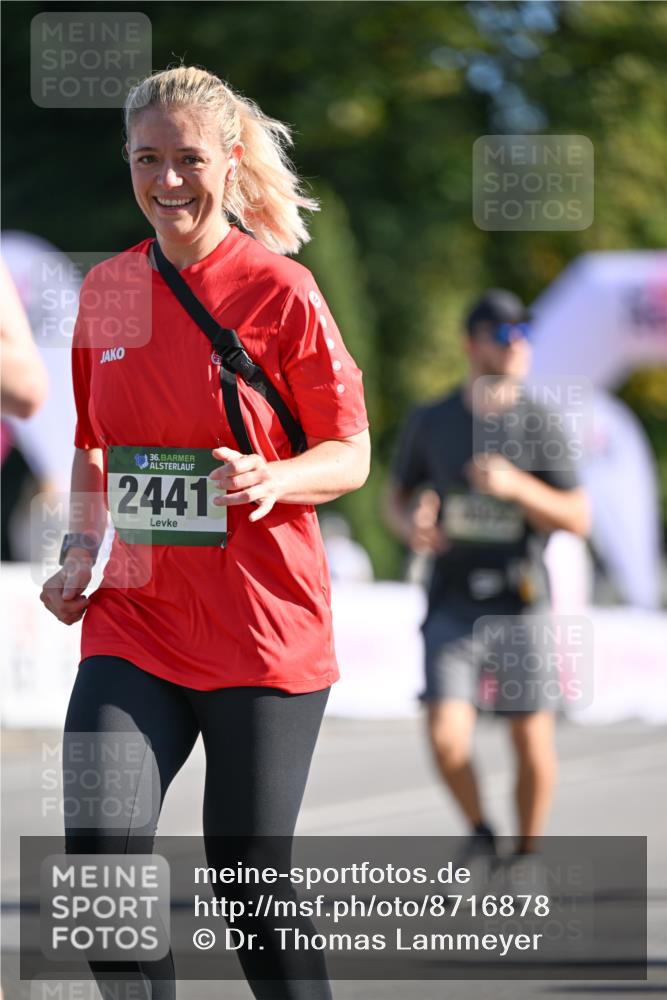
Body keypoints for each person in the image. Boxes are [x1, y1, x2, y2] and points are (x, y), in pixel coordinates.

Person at [40, 65, 370, 1000]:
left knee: (249, 883)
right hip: (136, 618)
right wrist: (77, 552)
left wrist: (275, 475)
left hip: (262, 628)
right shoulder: (107, 288)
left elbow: (349, 453)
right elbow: (93, 448)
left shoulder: (281, 291)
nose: (168, 181)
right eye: (149, 159)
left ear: (229, 159)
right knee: (101, 876)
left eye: (188, 158)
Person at [384, 289, 589, 866]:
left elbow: (578, 517)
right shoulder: (432, 420)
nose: (519, 344)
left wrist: (516, 487)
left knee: (530, 740)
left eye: (525, 333)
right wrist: (413, 526)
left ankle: (525, 852)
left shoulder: (541, 422)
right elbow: (395, 501)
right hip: (451, 599)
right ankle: (481, 830)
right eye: (504, 334)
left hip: (518, 600)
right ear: (471, 344)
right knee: (447, 737)